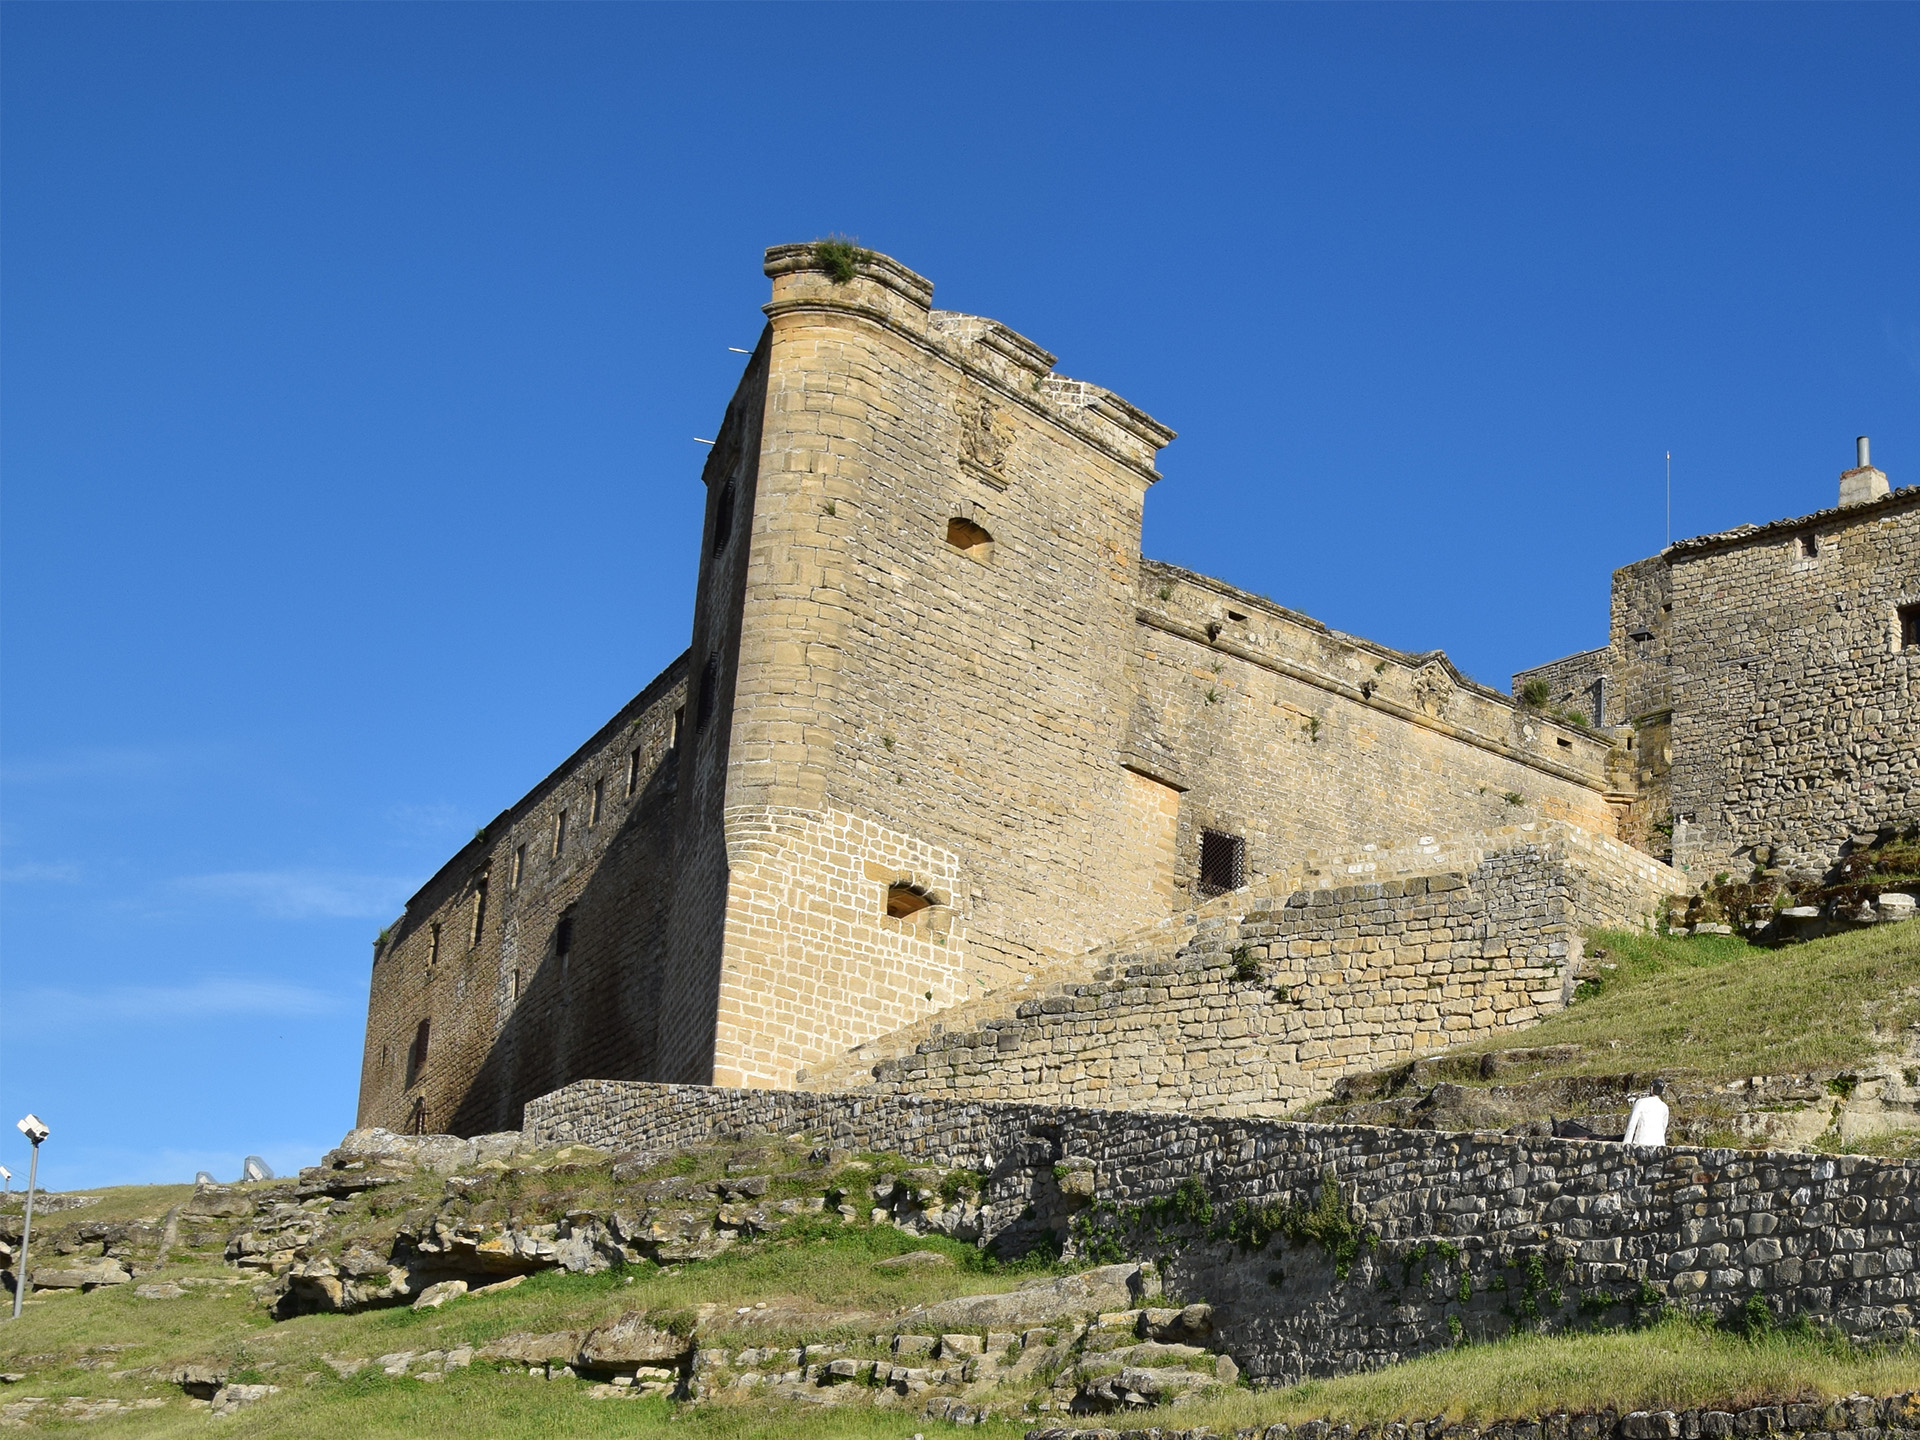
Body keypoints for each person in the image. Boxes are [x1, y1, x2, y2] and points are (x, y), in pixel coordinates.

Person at [1623, 1079, 1670, 1148]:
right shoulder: (1664, 1107)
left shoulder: (1640, 1103)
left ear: (1651, 1088)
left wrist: (1626, 1143)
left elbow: (1632, 1124)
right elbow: (1663, 1127)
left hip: (1641, 1142)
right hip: (1659, 1144)